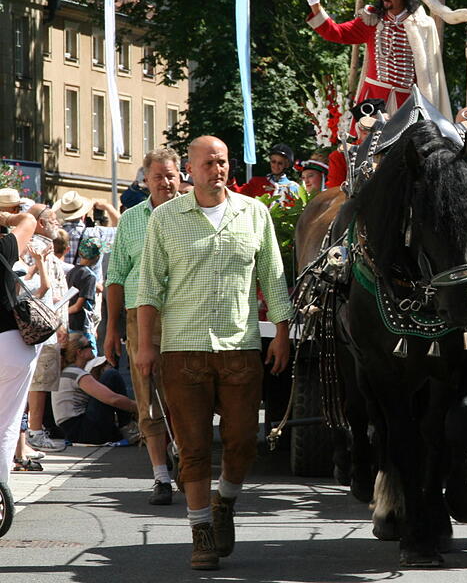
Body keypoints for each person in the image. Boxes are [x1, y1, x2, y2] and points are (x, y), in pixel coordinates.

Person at [136, 136, 293, 570]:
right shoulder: (166, 218)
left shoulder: (254, 213)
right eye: (207, 163)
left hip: (240, 348)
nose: (216, 169)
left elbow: (274, 278)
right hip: (182, 350)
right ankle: (201, 530)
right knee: (193, 447)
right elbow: (149, 287)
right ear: (190, 168)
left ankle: (225, 502)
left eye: (221, 162)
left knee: (243, 443)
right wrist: (145, 345)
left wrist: (282, 333)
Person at [104, 147, 183, 505]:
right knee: (147, 395)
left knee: (183, 394)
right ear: (146, 180)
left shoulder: (192, 213)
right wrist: (111, 329)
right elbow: (116, 276)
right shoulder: (132, 219)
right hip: (139, 317)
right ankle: (160, 476)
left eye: (170, 175)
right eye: (158, 177)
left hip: (183, 314)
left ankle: (185, 455)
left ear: (180, 176)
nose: (165, 182)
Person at [302, 0, 467, 115]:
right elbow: (337, 33)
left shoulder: (421, 25)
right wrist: (315, 6)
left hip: (406, 104)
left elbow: (429, 74)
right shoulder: (371, 20)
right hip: (372, 100)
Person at [23, 204, 68, 455]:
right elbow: (37, 289)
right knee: (38, 383)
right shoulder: (35, 248)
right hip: (40, 327)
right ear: (40, 223)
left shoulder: (44, 249)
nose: (58, 225)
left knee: (41, 381)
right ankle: (35, 431)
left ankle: (33, 431)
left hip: (48, 326)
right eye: (53, 220)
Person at [0, 209, 39, 496]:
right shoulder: (5, 246)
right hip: (9, 342)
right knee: (6, 424)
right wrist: (5, 217)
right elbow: (29, 220)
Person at [53, 333, 138, 444]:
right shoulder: (75, 373)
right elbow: (112, 399)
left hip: (73, 431)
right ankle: (128, 427)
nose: (92, 347)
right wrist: (141, 408)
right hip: (83, 430)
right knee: (111, 375)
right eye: (89, 345)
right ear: (79, 352)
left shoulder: (67, 372)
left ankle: (124, 428)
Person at [67, 237, 103, 348]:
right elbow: (78, 306)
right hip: (82, 329)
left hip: (71, 325)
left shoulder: (71, 272)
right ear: (97, 257)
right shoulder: (90, 276)